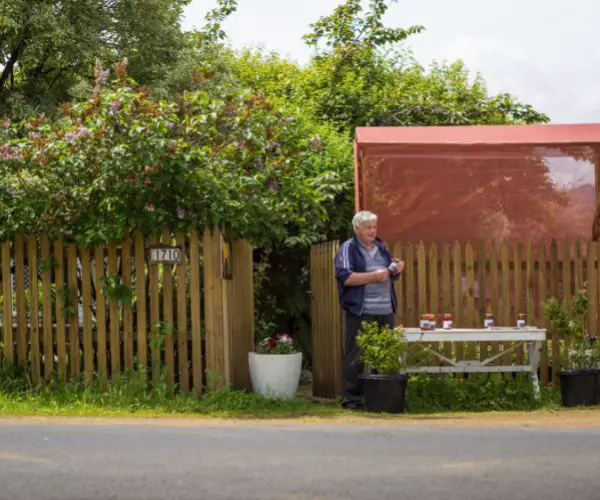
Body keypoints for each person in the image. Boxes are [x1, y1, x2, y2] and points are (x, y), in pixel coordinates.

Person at [334, 211, 404, 409]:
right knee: (356, 355)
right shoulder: (348, 248)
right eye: (368, 228)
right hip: (361, 310)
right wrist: (373, 276)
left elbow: (387, 274)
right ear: (357, 229)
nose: (373, 231)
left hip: (385, 308)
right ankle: (352, 400)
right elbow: (345, 277)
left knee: (387, 354)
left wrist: (395, 269)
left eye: (374, 227)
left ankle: (384, 398)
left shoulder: (381, 248)